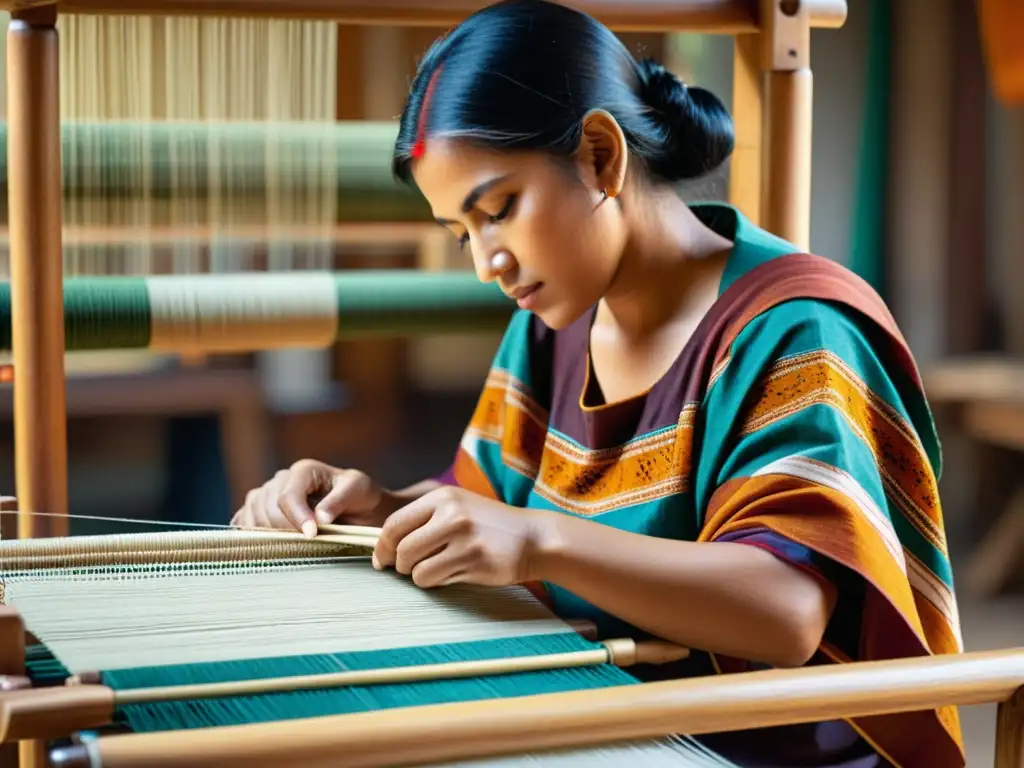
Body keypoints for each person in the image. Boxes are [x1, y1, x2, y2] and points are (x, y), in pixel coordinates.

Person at [232, 1, 964, 765]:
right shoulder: (554, 328)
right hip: (600, 727)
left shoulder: (794, 328)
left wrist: (542, 542)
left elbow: (785, 611)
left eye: (500, 210)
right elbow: (487, 518)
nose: (488, 263)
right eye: (463, 233)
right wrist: (373, 509)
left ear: (599, 156)